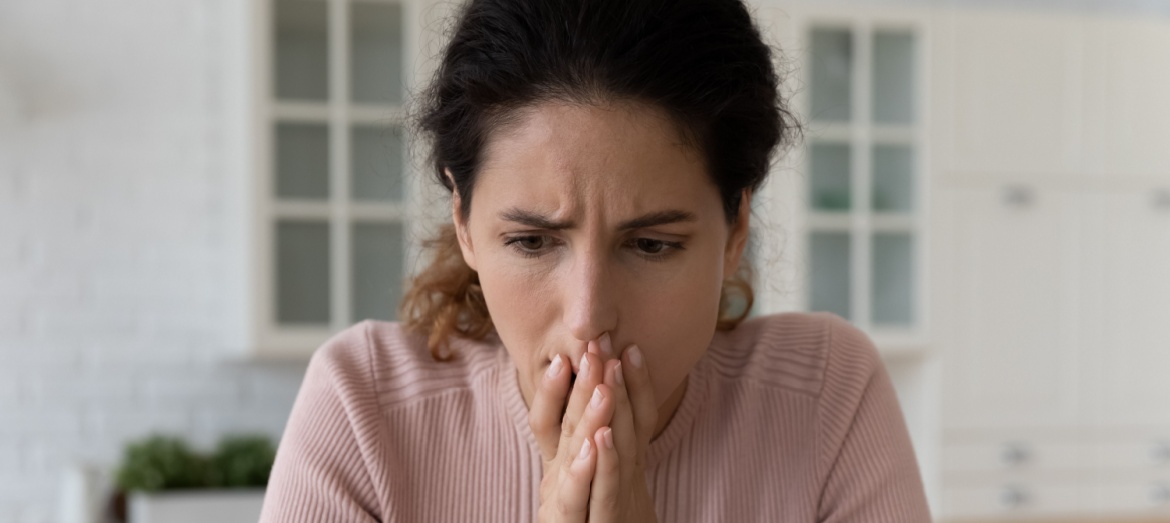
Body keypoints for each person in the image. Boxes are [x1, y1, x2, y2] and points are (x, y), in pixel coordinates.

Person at [259, 0, 932, 520]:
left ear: (735, 230)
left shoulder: (825, 398)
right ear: (463, 222)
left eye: (652, 245)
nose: (588, 318)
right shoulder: (364, 411)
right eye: (531, 242)